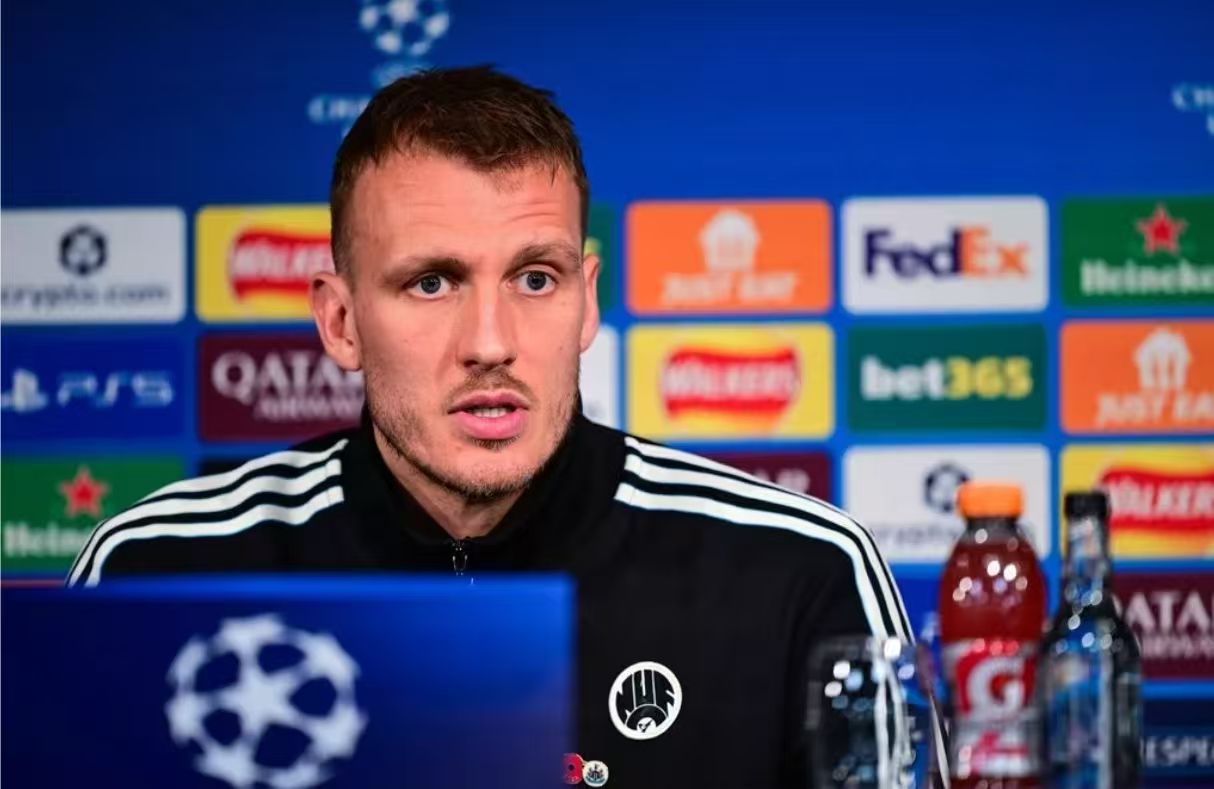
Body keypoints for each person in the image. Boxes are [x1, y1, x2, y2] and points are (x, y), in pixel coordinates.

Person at [68, 66, 938, 788]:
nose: (490, 343)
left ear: (586, 302)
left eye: (534, 278)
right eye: (432, 282)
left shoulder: (798, 570)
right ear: (340, 321)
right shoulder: (156, 569)